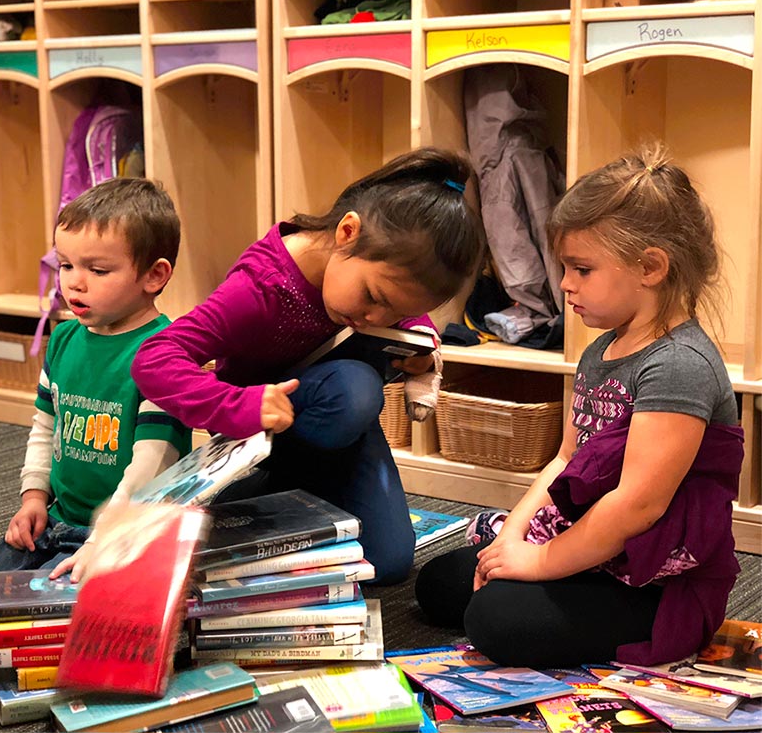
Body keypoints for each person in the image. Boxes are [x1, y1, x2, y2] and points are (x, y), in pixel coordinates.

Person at [66, 148, 484, 587]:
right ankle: (262, 494)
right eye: (374, 298)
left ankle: (273, 496)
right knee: (356, 390)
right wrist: (241, 404)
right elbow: (153, 360)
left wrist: (415, 349)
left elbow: (400, 313)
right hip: (271, 425)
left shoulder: (378, 278)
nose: (376, 318)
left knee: (388, 562)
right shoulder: (262, 287)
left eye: (395, 312)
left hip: (335, 425)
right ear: (347, 232)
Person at [415, 143, 744, 668]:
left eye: (582, 269)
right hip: (590, 544)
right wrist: (514, 540)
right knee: (442, 583)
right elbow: (566, 460)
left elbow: (637, 506)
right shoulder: (601, 348)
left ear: (651, 267)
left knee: (492, 620)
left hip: (652, 579)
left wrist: (540, 560)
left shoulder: (678, 365)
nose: (564, 284)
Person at [0, 177, 192, 622]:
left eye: (97, 271)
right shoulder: (64, 338)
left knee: (33, 613)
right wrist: (32, 499)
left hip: (119, 530)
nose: (74, 284)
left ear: (154, 275)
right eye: (65, 266)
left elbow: (153, 462)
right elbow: (45, 427)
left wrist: (106, 535)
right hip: (56, 521)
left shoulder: (164, 352)